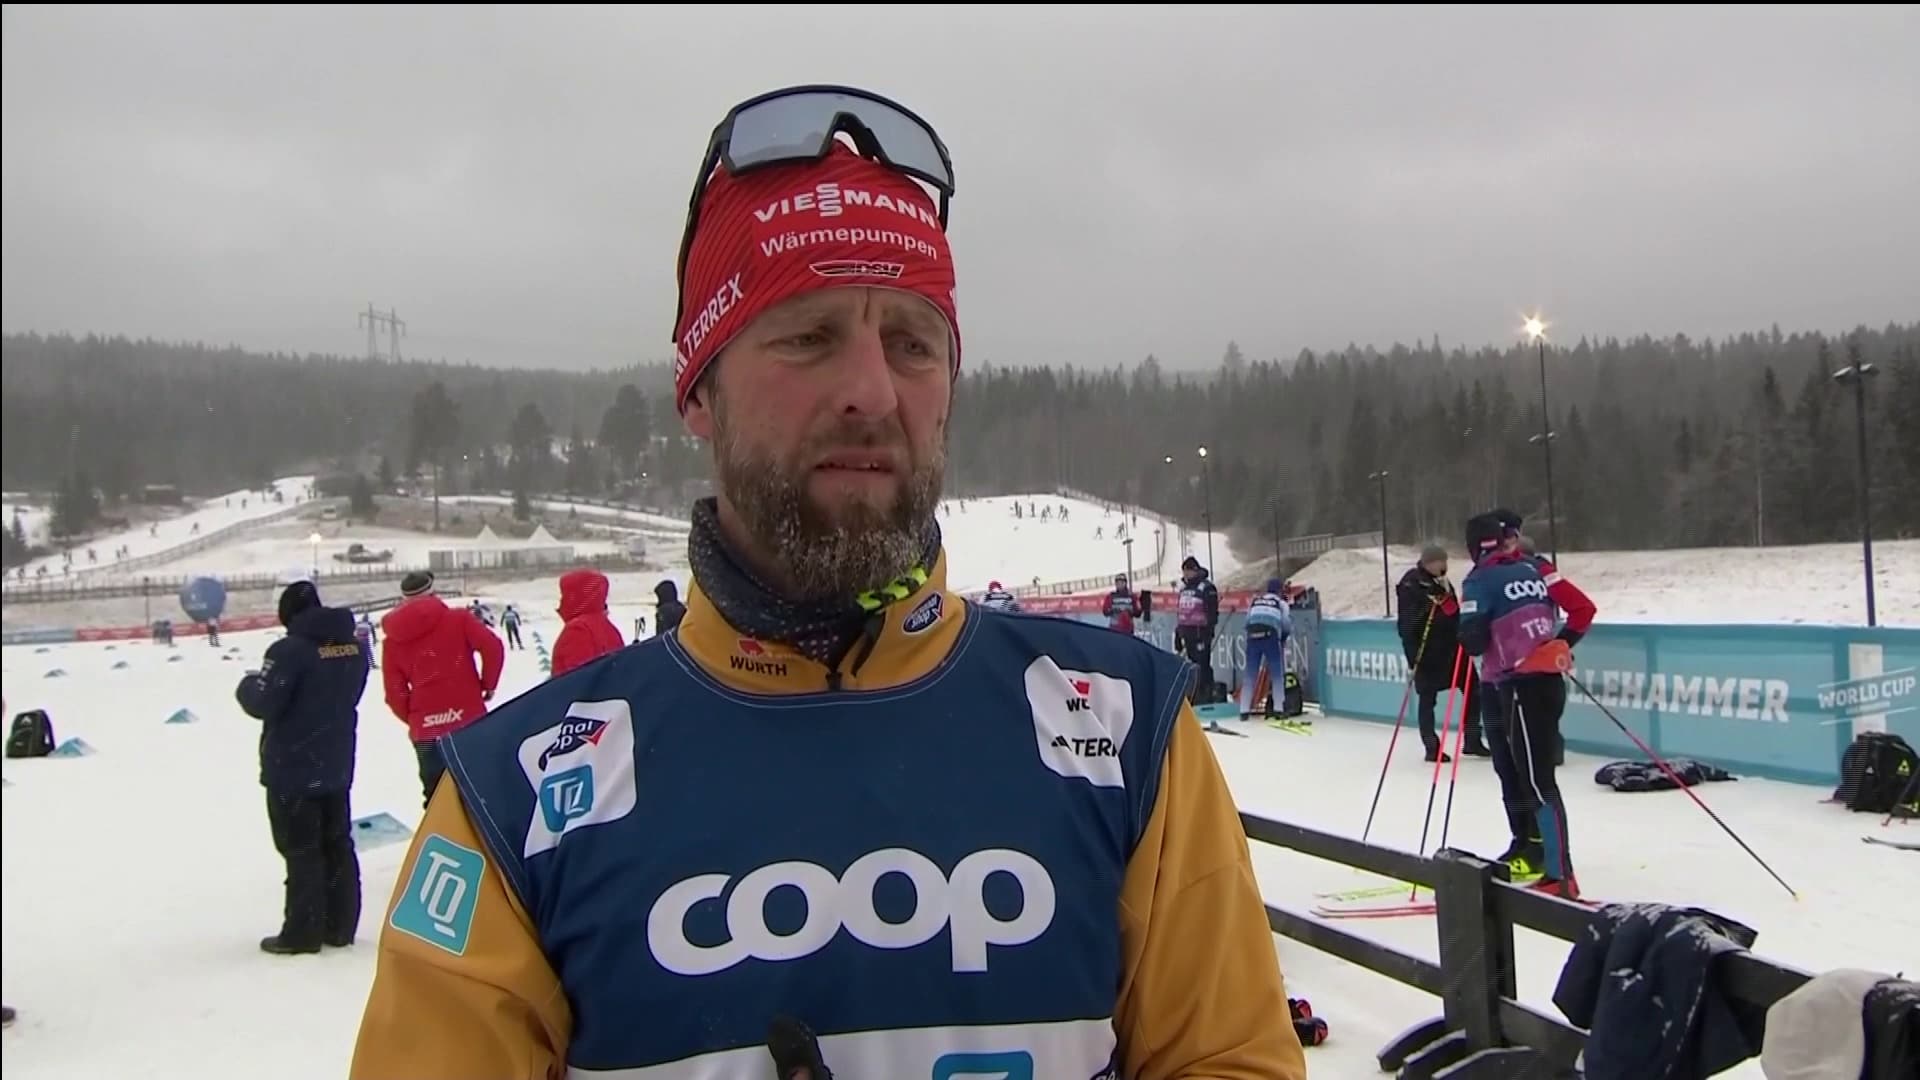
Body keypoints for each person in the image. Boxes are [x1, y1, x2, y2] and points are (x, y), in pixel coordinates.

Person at [352, 83, 1304, 1080]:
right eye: (808, 336)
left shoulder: (1127, 731)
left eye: (913, 344)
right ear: (698, 392)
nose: (871, 392)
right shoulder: (514, 796)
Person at [1458, 510, 1595, 899]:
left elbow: (1473, 640)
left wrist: (1466, 625)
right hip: (1545, 681)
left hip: (1517, 684)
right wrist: (1559, 642)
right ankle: (1546, 863)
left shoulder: (1480, 578)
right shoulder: (1536, 569)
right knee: (1530, 774)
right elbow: (1582, 610)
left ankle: (1559, 874)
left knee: (1534, 780)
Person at [234, 579, 369, 954]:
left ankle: (302, 932)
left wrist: (247, 684)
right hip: (336, 761)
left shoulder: (288, 651)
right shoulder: (354, 648)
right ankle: (339, 926)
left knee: (301, 850)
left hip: (292, 767)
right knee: (338, 845)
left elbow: (264, 702)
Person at [379, 571, 504, 808]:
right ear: (433, 592)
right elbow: (493, 647)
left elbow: (394, 692)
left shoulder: (392, 641)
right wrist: (488, 685)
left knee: (437, 800)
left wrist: (418, 717)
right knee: (482, 792)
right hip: (468, 720)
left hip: (426, 732)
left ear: (404, 599)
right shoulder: (459, 619)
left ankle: (443, 831)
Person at [1395, 544, 1489, 762]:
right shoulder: (1411, 584)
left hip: (1453, 648)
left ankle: (1472, 739)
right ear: (1430, 563)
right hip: (1427, 652)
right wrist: (1429, 612)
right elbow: (1407, 624)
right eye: (1441, 562)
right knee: (1428, 699)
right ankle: (1431, 746)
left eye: (1445, 561)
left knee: (1474, 689)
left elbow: (1453, 612)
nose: (1444, 566)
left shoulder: (1444, 583)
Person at [549, 568, 624, 677]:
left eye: (564, 596)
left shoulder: (578, 631)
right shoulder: (609, 628)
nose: (561, 602)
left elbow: (577, 679)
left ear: (575, 597)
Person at [1240, 577, 1294, 721]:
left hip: (1252, 637)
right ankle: (1278, 709)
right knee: (1277, 675)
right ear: (1280, 591)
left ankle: (1244, 711)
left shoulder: (1256, 601)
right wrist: (1282, 639)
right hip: (1270, 638)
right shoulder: (1281, 604)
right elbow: (1286, 624)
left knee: (1250, 675)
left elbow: (1246, 622)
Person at [1174, 556, 1221, 703]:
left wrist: (1208, 630)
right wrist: (1178, 633)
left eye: (1188, 571)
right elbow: (1181, 612)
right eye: (1184, 571)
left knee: (1202, 664)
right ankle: (1195, 694)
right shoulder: (1184, 589)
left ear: (1195, 570)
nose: (1186, 574)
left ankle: (1206, 694)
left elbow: (1212, 611)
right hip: (1187, 633)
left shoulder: (1206, 587)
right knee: (1192, 665)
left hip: (1201, 632)